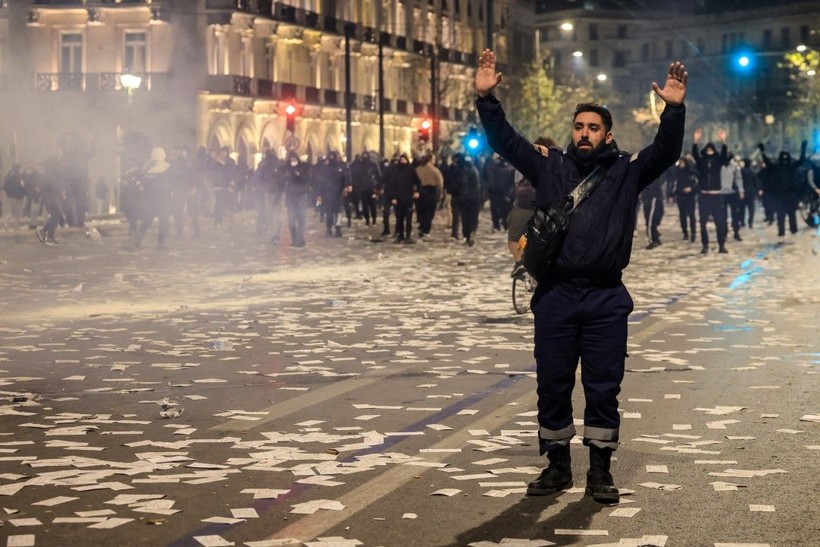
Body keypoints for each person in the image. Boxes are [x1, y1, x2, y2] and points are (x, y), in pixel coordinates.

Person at [474, 48, 687, 503]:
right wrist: (487, 100)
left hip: (606, 298)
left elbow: (667, 151)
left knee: (603, 386)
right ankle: (556, 466)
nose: (584, 134)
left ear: (607, 135)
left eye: (593, 128)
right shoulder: (549, 164)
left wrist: (673, 110)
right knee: (552, 382)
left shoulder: (627, 172)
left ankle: (599, 471)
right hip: (556, 295)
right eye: (579, 127)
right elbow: (505, 142)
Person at [507, 137, 556, 276]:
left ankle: (518, 262)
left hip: (524, 207)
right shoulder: (558, 163)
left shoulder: (523, 161)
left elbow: (516, 183)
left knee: (514, 238)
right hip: (549, 210)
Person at [758, 140, 806, 238]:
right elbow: (767, 162)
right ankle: (782, 231)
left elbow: (801, 161)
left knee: (789, 214)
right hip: (781, 196)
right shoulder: (778, 167)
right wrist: (762, 152)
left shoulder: (789, 167)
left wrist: (803, 149)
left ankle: (791, 230)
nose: (784, 161)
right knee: (781, 215)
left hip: (789, 195)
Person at [692, 129, 729, 253]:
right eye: (707, 149)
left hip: (717, 196)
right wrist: (695, 141)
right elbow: (695, 155)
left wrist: (724, 141)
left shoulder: (718, 161)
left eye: (711, 149)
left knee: (720, 222)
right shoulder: (701, 161)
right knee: (703, 223)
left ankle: (721, 245)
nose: (709, 151)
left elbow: (724, 156)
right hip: (704, 196)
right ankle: (705, 245)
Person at [415, 153, 444, 238]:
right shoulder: (435, 170)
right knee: (429, 212)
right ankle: (426, 230)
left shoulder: (418, 169)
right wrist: (440, 194)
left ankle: (421, 226)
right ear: (431, 160)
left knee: (421, 211)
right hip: (431, 192)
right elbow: (440, 183)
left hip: (420, 191)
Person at [669, 155, 698, 242]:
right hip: (681, 197)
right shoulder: (677, 173)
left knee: (691, 215)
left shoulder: (692, 172)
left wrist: (691, 188)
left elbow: (697, 183)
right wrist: (671, 195)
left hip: (690, 197)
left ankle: (693, 233)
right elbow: (674, 185)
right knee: (682, 216)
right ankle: (685, 232)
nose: (681, 164)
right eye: (680, 162)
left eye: (682, 162)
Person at [640, 177, 665, 249]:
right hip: (648, 198)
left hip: (652, 198)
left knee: (650, 222)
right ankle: (656, 239)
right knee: (649, 220)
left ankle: (653, 241)